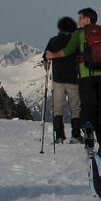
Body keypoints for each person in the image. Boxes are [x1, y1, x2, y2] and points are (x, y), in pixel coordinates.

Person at [44, 8, 101, 146]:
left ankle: (88, 131)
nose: (78, 21)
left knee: (86, 106)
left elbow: (68, 50)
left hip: (86, 75)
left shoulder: (79, 34)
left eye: (80, 18)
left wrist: (53, 55)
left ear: (87, 20)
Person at [42, 16, 82, 144]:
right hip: (73, 79)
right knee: (75, 108)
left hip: (58, 79)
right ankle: (76, 135)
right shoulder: (75, 41)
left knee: (57, 108)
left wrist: (48, 66)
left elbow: (46, 60)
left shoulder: (53, 41)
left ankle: (59, 135)